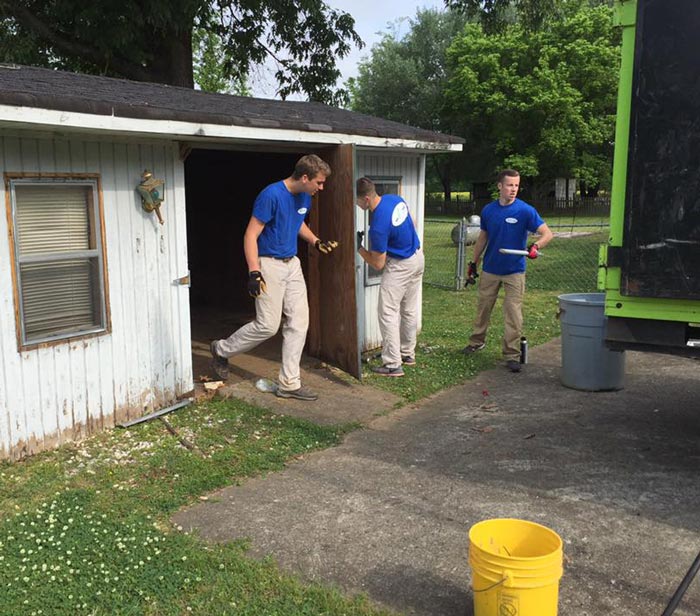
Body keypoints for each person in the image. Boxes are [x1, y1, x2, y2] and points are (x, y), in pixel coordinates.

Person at [210, 154, 339, 401]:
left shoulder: (305, 196)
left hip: (292, 264)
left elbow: (297, 221)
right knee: (268, 325)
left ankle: (289, 384)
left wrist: (316, 241)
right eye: (319, 183)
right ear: (304, 177)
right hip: (268, 264)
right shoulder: (271, 195)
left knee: (299, 322)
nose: (321, 188)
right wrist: (253, 272)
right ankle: (221, 349)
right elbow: (250, 235)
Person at [462, 169, 553, 373]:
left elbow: (548, 233)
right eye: (510, 185)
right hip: (491, 269)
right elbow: (483, 238)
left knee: (513, 313)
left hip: (514, 271)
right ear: (500, 186)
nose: (513, 189)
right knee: (483, 307)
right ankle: (476, 342)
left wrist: (536, 246)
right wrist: (473, 262)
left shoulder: (525, 211)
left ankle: (512, 354)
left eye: (516, 186)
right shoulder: (488, 211)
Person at [355, 177, 425, 377]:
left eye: (358, 200)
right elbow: (411, 221)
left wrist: (359, 248)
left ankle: (393, 364)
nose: (357, 204)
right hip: (417, 257)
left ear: (366, 199)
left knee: (387, 312)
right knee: (409, 310)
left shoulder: (377, 225)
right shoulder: (394, 199)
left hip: (400, 266)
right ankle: (407, 354)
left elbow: (378, 263)